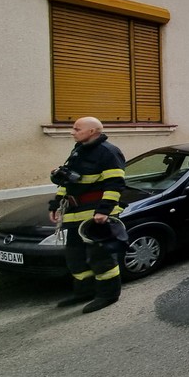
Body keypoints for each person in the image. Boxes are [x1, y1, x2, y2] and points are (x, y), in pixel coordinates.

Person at [48, 116, 127, 314]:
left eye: (77, 128)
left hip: (95, 216)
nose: (72, 132)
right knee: (75, 256)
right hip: (74, 214)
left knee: (101, 258)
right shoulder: (79, 150)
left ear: (92, 131)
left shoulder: (108, 152)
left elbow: (115, 183)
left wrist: (103, 211)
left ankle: (108, 295)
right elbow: (67, 182)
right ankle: (84, 291)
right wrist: (55, 205)